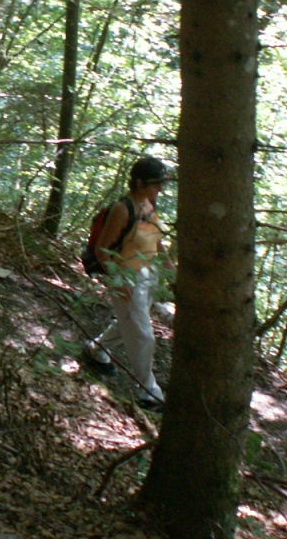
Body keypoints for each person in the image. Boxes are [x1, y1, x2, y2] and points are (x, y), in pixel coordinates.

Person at [83, 155, 175, 412]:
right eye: (156, 183)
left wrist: (169, 269)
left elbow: (156, 240)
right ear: (139, 182)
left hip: (148, 274)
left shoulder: (148, 203)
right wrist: (118, 280)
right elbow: (103, 250)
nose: (160, 189)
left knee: (130, 322)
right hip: (126, 278)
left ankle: (97, 350)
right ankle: (149, 392)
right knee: (143, 334)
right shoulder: (122, 208)